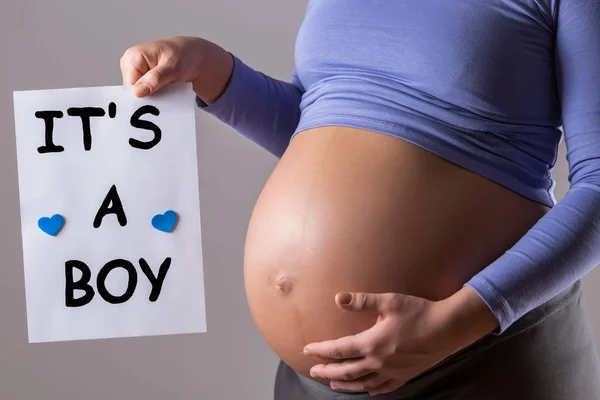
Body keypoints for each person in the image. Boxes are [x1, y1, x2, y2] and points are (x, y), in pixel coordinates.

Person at [120, 1, 600, 399]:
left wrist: (455, 323)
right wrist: (214, 72)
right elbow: (329, 121)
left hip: (480, 353)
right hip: (316, 379)